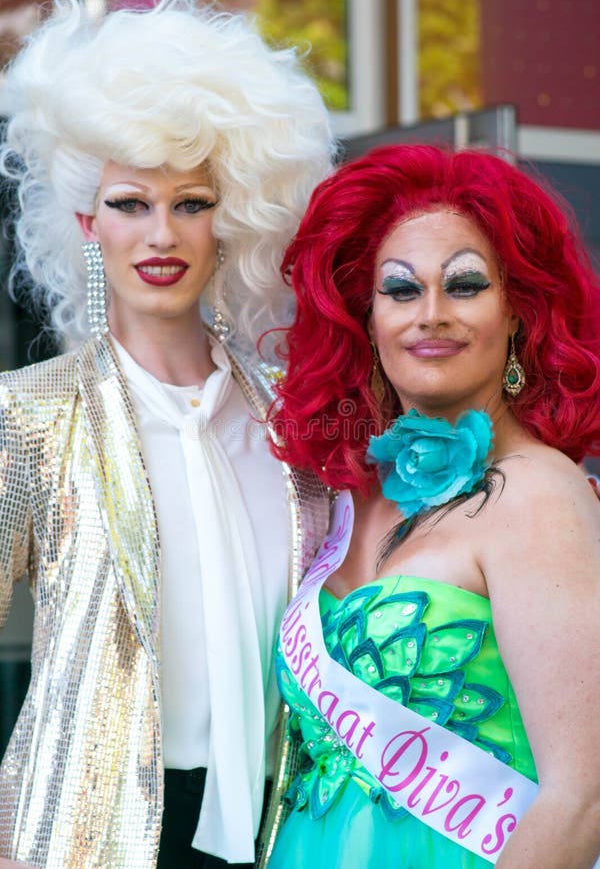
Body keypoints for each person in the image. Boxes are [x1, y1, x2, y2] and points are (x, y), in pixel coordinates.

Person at [0, 0, 334, 868]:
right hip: (89, 838)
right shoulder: (27, 417)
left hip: (285, 828)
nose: (161, 233)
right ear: (85, 221)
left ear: (233, 221)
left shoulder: (294, 425)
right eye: (128, 203)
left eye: (191, 202)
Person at [263, 144, 600, 868]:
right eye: (401, 290)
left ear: (519, 313)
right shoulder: (346, 500)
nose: (432, 315)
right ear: (367, 318)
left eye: (466, 285)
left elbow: (585, 797)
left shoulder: (541, 493)